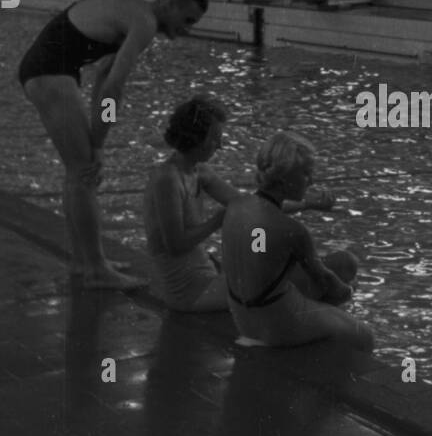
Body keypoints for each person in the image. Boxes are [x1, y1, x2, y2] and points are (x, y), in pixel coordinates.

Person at [18, 0, 209, 290]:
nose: (187, 29)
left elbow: (103, 76)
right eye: (187, 20)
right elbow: (113, 89)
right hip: (49, 72)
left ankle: (84, 261)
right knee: (85, 175)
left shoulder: (132, 15)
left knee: (77, 174)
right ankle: (96, 269)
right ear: (170, 3)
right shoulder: (144, 22)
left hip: (50, 70)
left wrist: (96, 139)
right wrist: (99, 145)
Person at [143, 95, 334, 313]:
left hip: (205, 276)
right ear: (196, 138)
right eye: (215, 138)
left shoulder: (199, 172)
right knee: (311, 279)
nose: (220, 145)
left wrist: (306, 204)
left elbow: (255, 204)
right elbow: (175, 245)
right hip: (187, 293)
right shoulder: (167, 179)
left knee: (314, 275)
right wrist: (217, 220)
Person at [222, 130, 373, 351]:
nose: (311, 180)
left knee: (343, 263)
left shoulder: (237, 205)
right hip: (274, 322)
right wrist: (349, 292)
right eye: (305, 174)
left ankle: (319, 328)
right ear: (283, 178)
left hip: (242, 317)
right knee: (365, 337)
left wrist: (308, 204)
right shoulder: (292, 231)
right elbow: (326, 281)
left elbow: (268, 210)